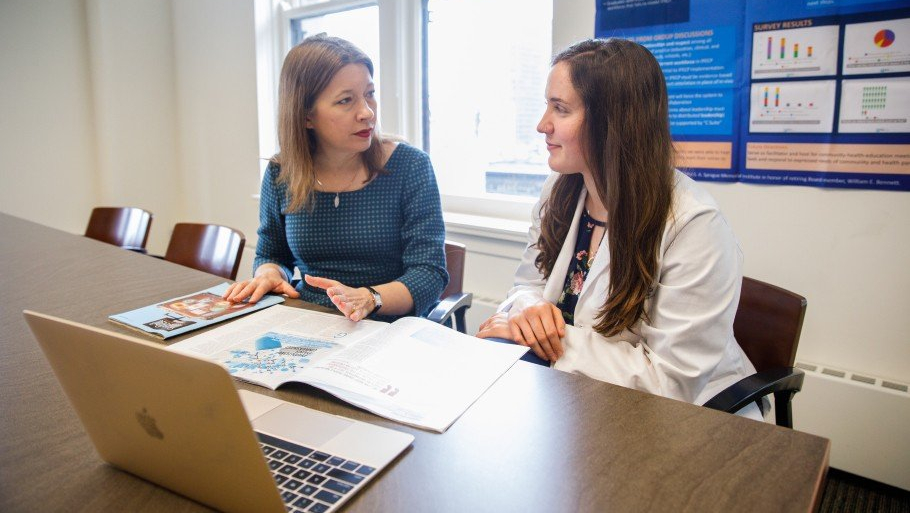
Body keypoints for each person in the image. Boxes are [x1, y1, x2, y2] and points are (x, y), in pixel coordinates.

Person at [476, 38, 762, 420]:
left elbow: (668, 383)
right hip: (579, 398)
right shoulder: (559, 192)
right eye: (547, 105)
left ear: (613, 122)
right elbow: (527, 285)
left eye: (560, 109)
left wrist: (550, 337)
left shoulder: (694, 226)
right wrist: (528, 310)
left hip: (683, 419)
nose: (542, 124)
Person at [224, 34, 448, 322]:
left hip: (386, 324)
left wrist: (369, 297)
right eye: (346, 101)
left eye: (370, 93)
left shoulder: (410, 166)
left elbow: (429, 273)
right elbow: (271, 252)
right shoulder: (282, 172)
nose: (367, 113)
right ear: (306, 116)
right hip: (307, 320)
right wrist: (269, 274)